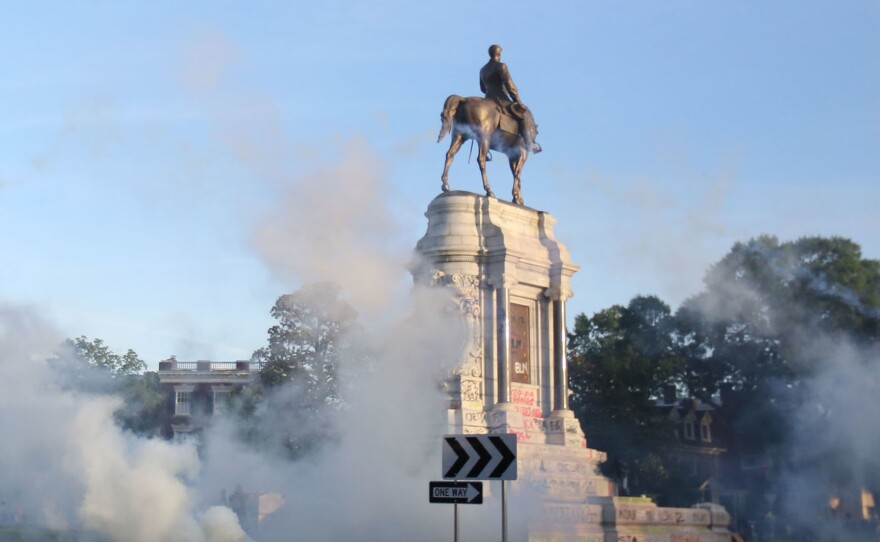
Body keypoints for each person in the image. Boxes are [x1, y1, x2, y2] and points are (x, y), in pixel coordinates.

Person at [479, 44, 541, 153]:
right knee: (524, 113)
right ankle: (529, 143)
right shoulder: (501, 66)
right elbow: (510, 85)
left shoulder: (483, 70)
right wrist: (518, 101)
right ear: (499, 54)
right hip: (500, 99)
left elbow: (482, 89)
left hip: (488, 99)